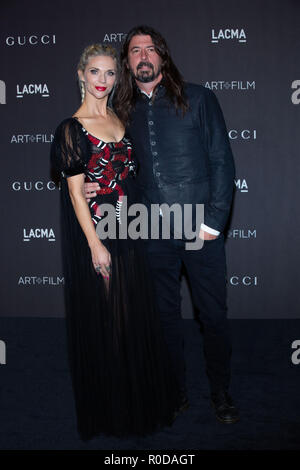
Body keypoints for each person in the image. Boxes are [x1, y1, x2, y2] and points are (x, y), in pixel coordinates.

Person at [84, 26, 240, 424]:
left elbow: (222, 160)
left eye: (150, 49)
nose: (143, 56)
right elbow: (118, 169)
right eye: (135, 51)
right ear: (127, 63)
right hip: (150, 228)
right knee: (163, 319)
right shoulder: (123, 111)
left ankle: (221, 391)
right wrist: (93, 185)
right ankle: (176, 390)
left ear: (162, 55)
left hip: (199, 228)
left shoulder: (199, 97)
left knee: (213, 316)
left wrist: (214, 222)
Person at [50, 43, 182, 441]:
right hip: (99, 234)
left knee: (133, 318)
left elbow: (129, 175)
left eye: (110, 73)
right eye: (95, 72)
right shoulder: (71, 127)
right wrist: (94, 245)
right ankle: (114, 410)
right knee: (110, 321)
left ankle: (137, 398)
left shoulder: (120, 118)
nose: (103, 80)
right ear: (81, 75)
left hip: (130, 229)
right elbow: (75, 193)